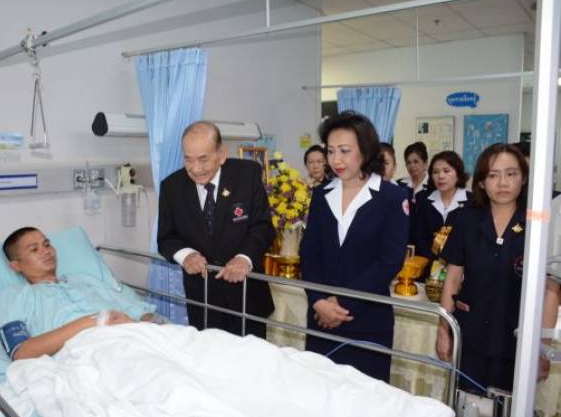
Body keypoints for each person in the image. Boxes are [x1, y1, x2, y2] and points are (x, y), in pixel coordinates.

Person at [435, 143, 558, 391]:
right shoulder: (466, 218)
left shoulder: (539, 221)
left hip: (518, 338)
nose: (502, 183)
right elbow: (453, 277)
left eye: (511, 174)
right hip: (471, 333)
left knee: (511, 409)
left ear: (524, 178)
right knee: (466, 404)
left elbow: (551, 289)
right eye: (493, 175)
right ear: (481, 182)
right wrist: (444, 329)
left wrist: (542, 347)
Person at [300, 111, 409, 382]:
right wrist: (318, 300)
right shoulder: (322, 195)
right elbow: (310, 253)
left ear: (365, 150)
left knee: (365, 397)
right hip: (321, 319)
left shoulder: (391, 197)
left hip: (367, 320)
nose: (336, 160)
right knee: (319, 391)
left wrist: (342, 303)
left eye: (345, 151)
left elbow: (389, 260)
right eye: (331, 151)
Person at [157, 121, 275, 338]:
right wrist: (186, 255)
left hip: (246, 295)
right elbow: (166, 238)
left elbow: (263, 227)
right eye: (188, 159)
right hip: (203, 298)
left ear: (221, 154)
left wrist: (244, 258)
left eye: (203, 159)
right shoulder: (171, 187)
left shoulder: (247, 175)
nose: (195, 168)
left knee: (252, 358)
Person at [0, 227, 158, 360]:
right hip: (86, 354)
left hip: (135, 340)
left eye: (47, 245)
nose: (46, 251)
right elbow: (22, 352)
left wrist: (151, 324)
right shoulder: (14, 296)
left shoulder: (84, 280)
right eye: (34, 249)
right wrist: (94, 321)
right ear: (16, 266)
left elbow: (141, 313)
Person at [411, 151, 471, 260]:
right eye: (435, 172)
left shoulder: (472, 202)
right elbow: (419, 238)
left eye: (446, 171)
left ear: (458, 173)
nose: (441, 176)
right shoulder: (423, 200)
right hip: (429, 265)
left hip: (461, 266)